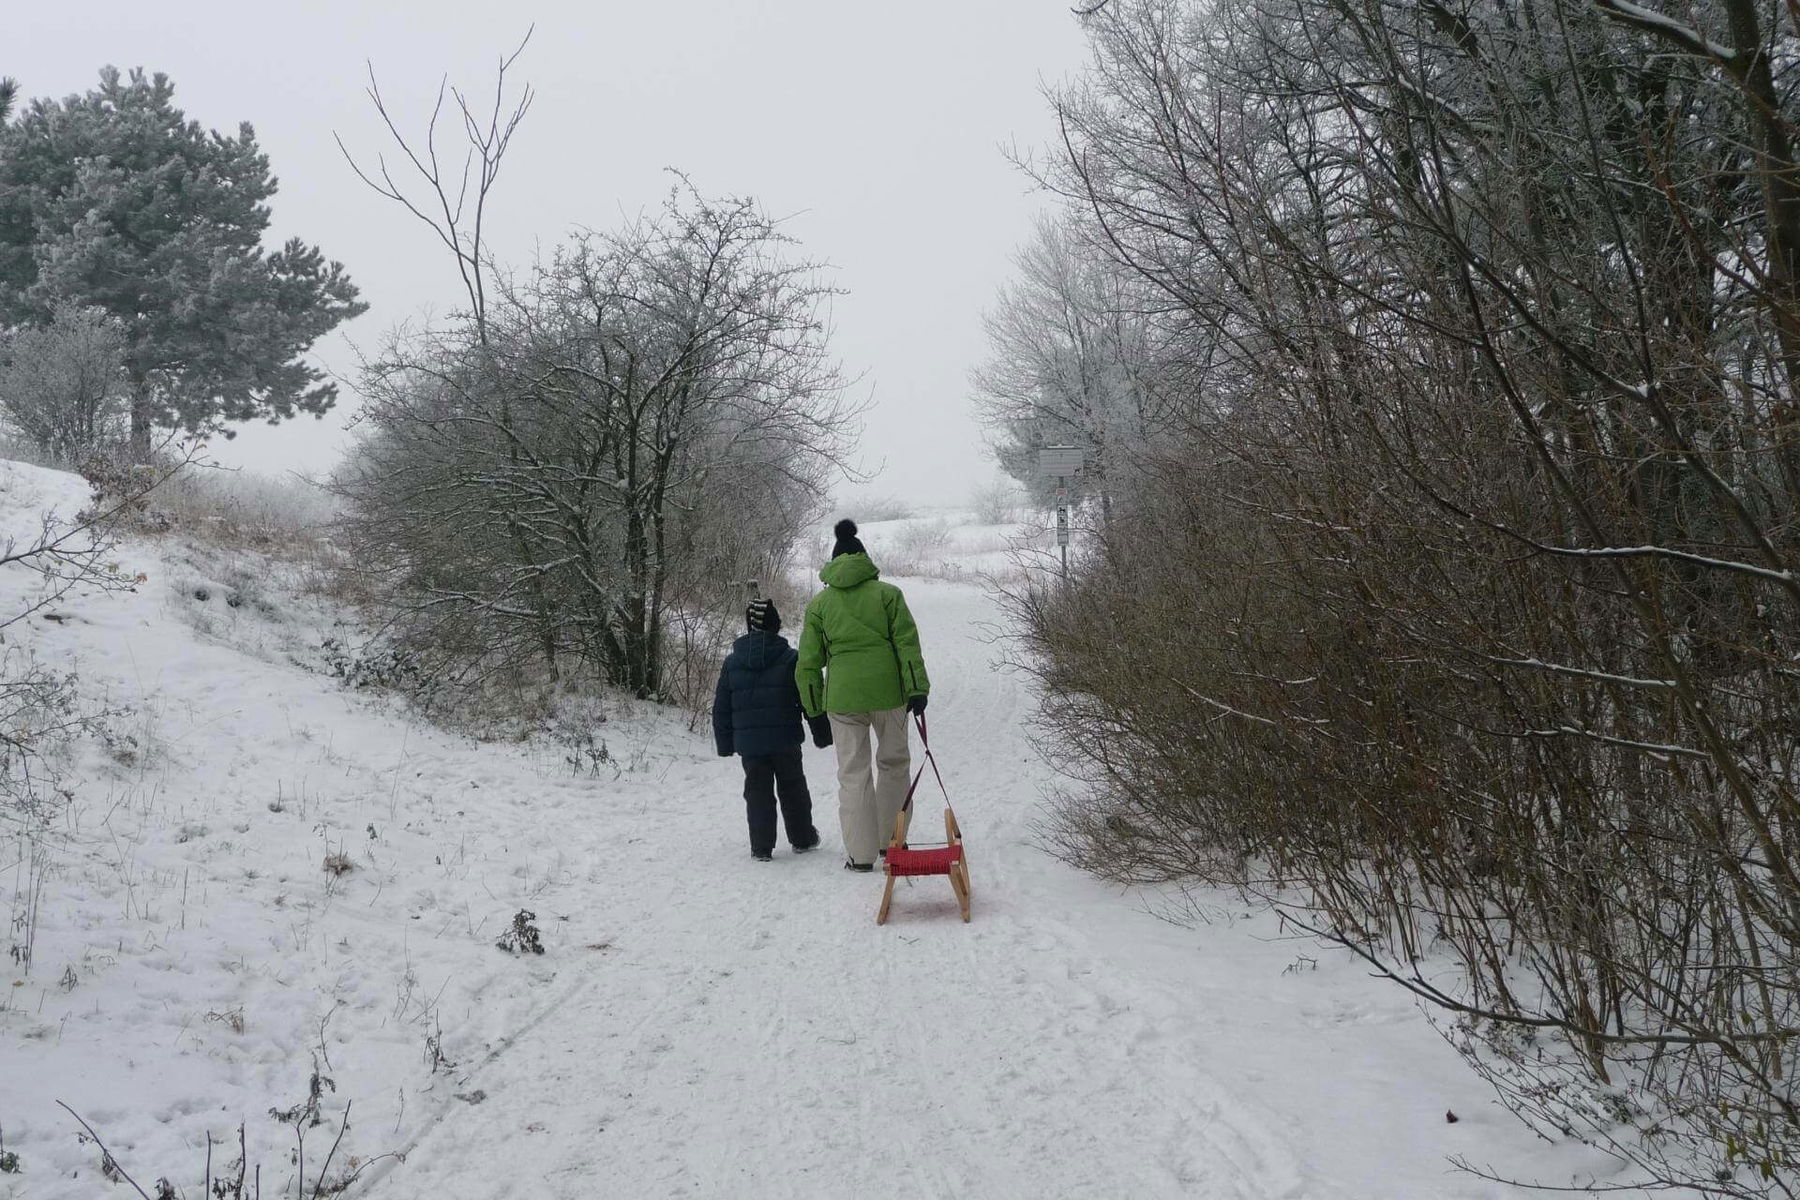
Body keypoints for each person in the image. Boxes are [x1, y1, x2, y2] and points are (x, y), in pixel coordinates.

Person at [796, 519, 931, 872]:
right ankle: (892, 842)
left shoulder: (819, 605)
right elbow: (907, 645)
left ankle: (860, 855)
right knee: (894, 765)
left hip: (843, 700)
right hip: (889, 694)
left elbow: (807, 664)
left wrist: (814, 711)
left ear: (833, 563)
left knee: (853, 772)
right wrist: (916, 688)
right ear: (865, 558)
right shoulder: (888, 595)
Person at [713, 598, 828, 861]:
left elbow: (721, 706)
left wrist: (725, 742)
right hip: (785, 739)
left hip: (750, 744)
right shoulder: (790, 659)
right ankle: (802, 837)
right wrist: (820, 731)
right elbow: (807, 697)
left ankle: (761, 846)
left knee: (757, 791)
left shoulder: (732, 662)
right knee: (793, 786)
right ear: (776, 625)